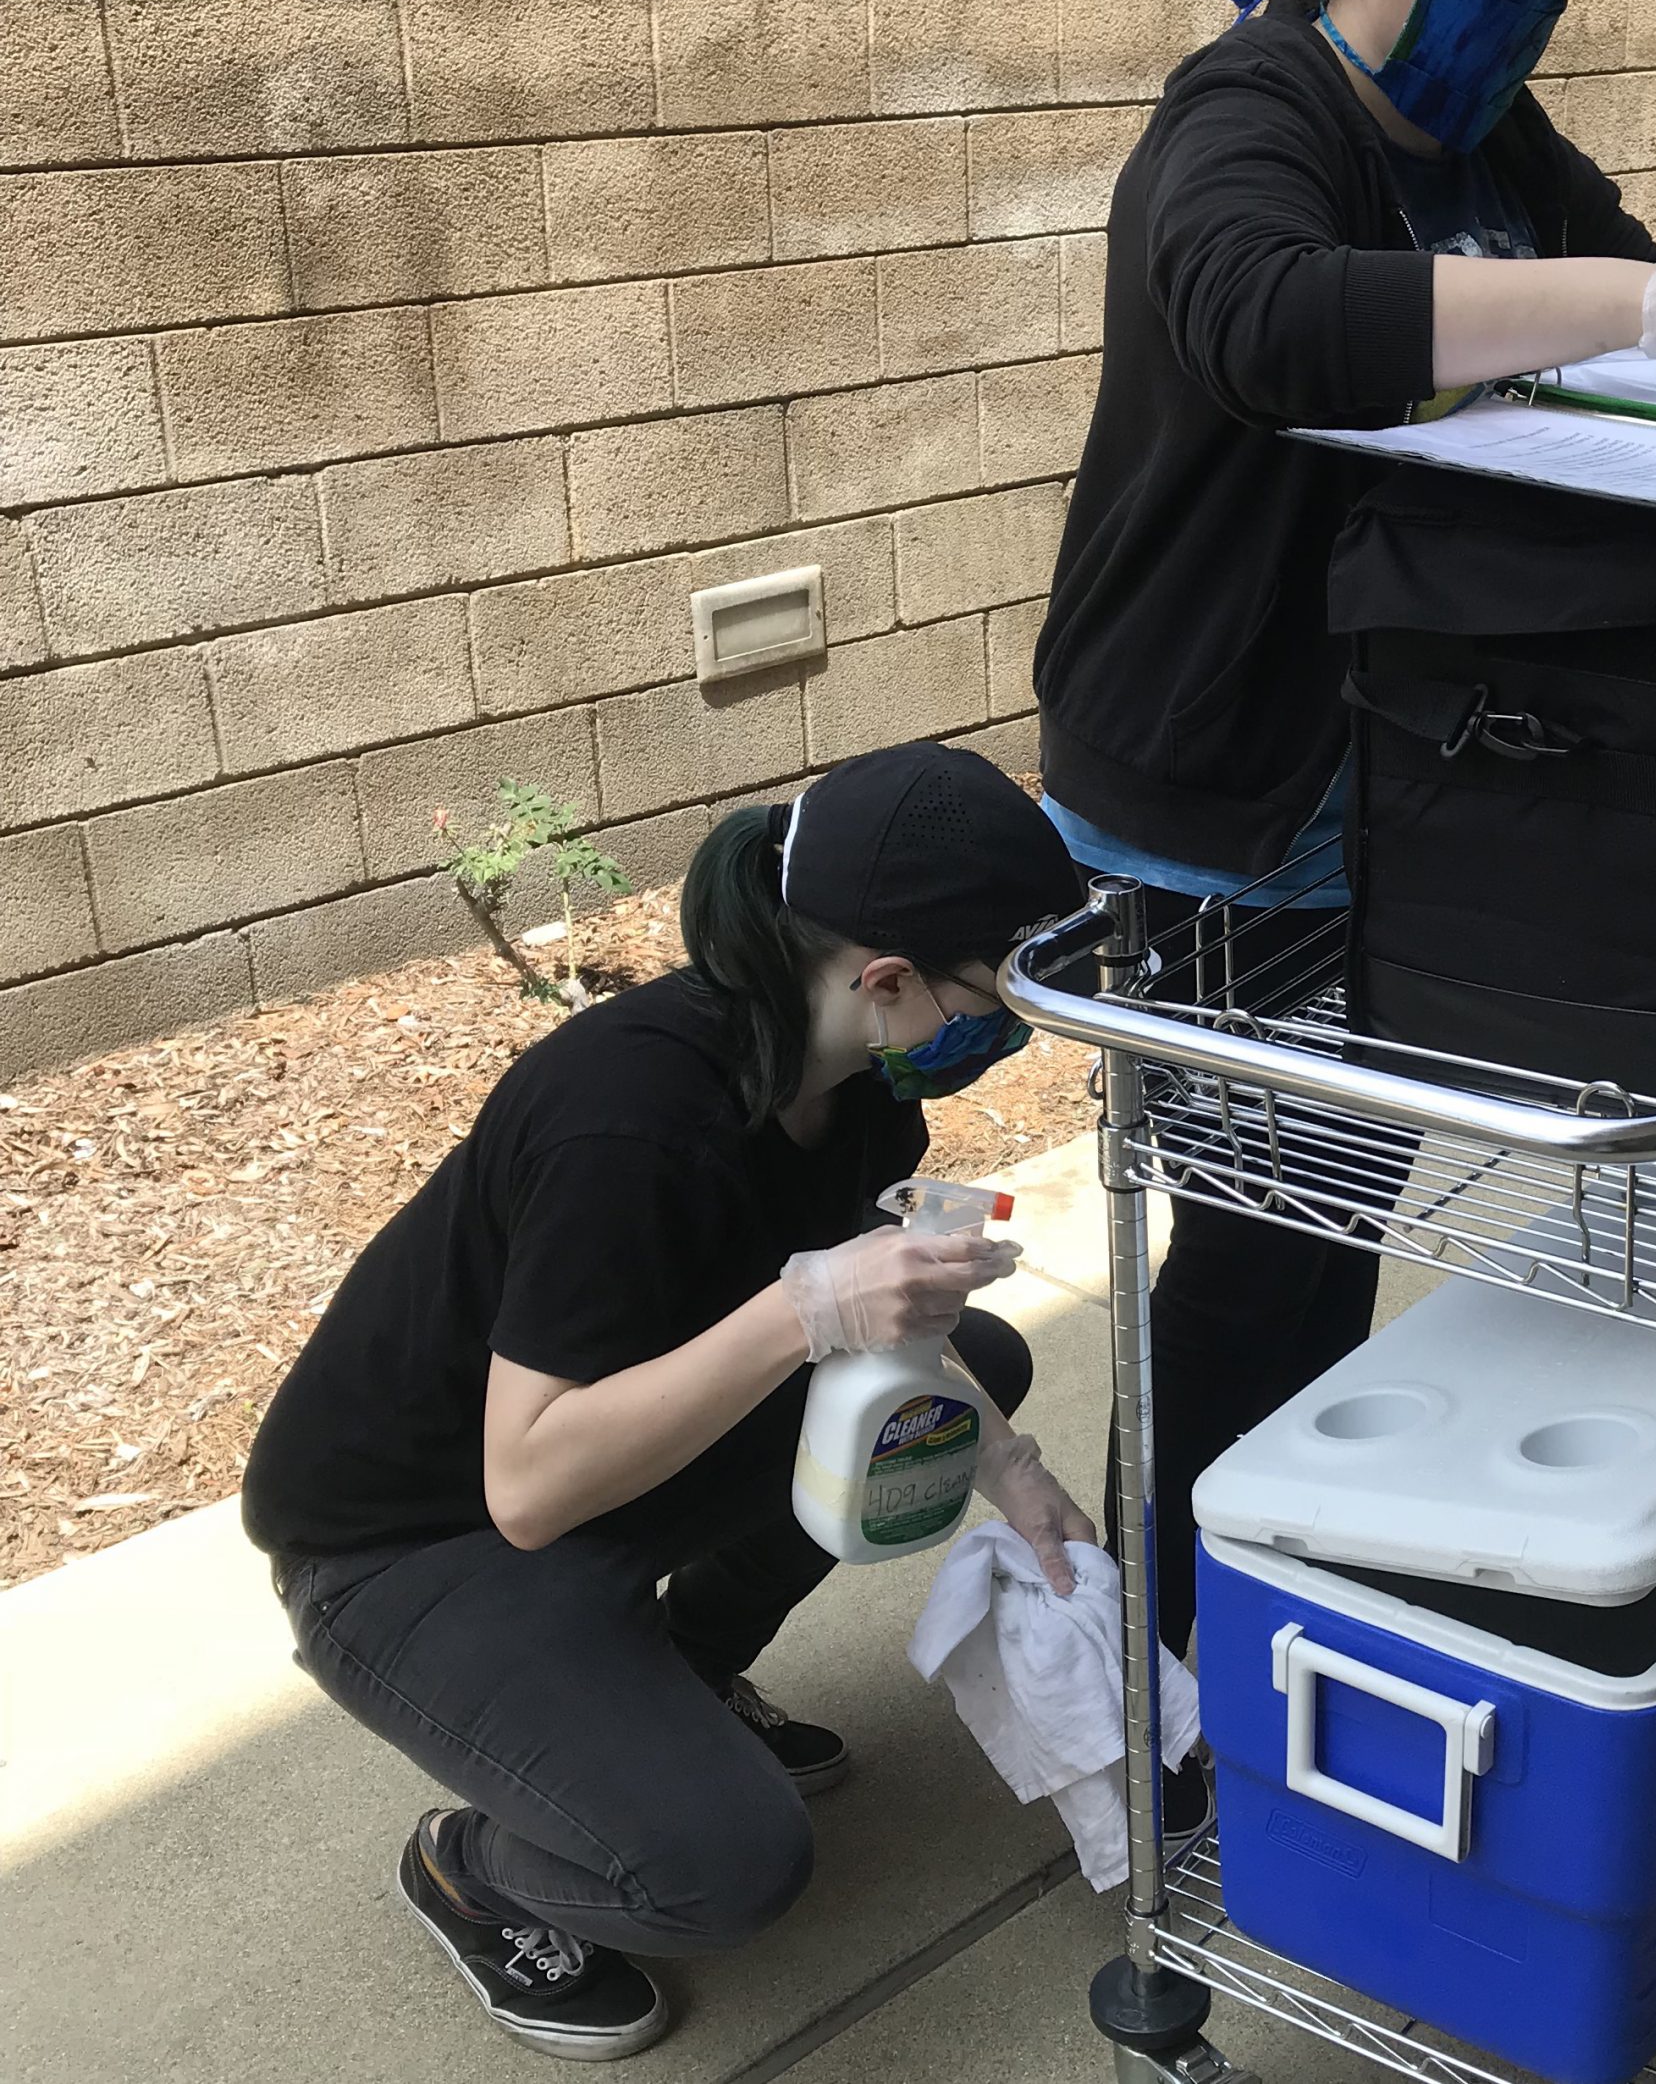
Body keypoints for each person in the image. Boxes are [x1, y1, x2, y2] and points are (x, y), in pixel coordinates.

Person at [1033, 0, 1656, 1674]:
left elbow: (1595, 308)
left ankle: (1238, 1591)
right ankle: (1166, 1665)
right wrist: (1644, 296)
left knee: (1323, 1229)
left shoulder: (1482, 132)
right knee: (1255, 1257)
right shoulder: (1248, 117)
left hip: (1387, 775)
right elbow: (1271, 322)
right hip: (1216, 783)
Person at [242, 743, 1096, 2063]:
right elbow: (528, 1487)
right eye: (999, 988)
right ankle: (475, 1864)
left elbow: (884, 1356)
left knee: (968, 1372)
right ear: (883, 980)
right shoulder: (629, 1119)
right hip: (410, 1542)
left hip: (607, 1464)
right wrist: (804, 1310)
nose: (1014, 1024)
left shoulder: (862, 1099)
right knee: (727, 1867)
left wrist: (1018, 1469)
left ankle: (685, 1676)